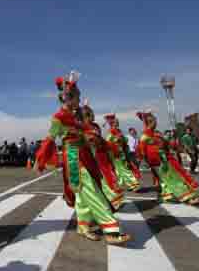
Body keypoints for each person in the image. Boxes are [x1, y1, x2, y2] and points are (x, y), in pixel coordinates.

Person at [35, 73, 131, 245]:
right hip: (73, 157)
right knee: (91, 190)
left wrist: (104, 144)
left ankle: (83, 225)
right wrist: (41, 159)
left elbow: (88, 133)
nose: (79, 101)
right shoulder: (59, 117)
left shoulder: (75, 116)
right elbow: (50, 138)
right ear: (68, 98)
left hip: (84, 154)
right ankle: (111, 229)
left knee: (84, 192)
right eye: (77, 97)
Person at [137, 112, 199, 205]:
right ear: (150, 122)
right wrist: (145, 161)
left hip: (164, 160)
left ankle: (167, 196)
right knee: (174, 179)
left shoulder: (156, 134)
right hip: (158, 162)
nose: (156, 123)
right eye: (154, 121)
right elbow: (141, 150)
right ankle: (187, 197)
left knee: (168, 179)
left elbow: (165, 145)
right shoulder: (145, 136)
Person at [80, 102, 124, 210]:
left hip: (102, 155)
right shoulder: (81, 128)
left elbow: (101, 140)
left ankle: (110, 200)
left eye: (91, 114)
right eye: (88, 115)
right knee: (98, 181)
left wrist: (110, 149)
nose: (92, 117)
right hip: (91, 157)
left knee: (107, 177)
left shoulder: (95, 126)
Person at [104, 114, 141, 192]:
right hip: (116, 154)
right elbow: (108, 143)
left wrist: (122, 140)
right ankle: (133, 183)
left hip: (122, 153)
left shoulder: (119, 131)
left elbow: (124, 140)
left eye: (117, 122)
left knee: (122, 169)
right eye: (115, 122)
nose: (117, 123)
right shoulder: (111, 132)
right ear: (112, 123)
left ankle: (122, 184)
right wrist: (117, 141)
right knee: (123, 169)